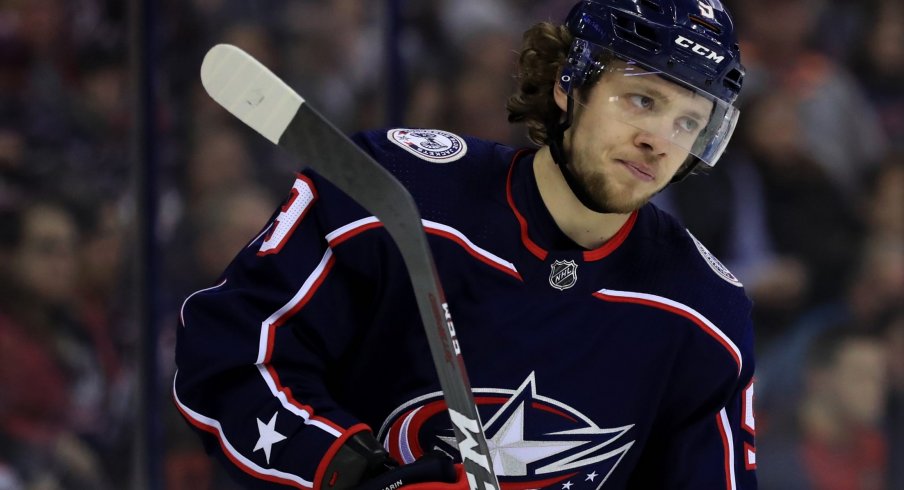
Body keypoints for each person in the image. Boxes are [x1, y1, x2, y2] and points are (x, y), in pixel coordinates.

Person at [174, 1, 757, 488]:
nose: (659, 140)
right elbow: (227, 351)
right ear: (567, 81)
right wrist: (356, 476)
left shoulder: (705, 313)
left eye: (689, 122)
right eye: (643, 99)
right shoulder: (399, 191)